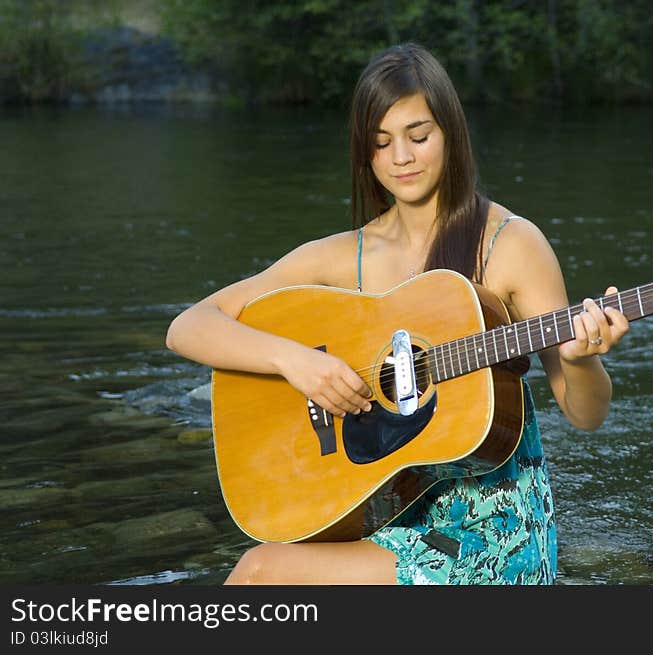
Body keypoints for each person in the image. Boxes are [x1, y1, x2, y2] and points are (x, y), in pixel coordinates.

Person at [165, 42, 629, 585]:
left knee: (262, 572)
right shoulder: (342, 258)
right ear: (365, 153)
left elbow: (585, 414)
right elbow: (189, 327)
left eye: (418, 136)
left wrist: (579, 360)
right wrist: (296, 362)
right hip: (388, 512)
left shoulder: (509, 245)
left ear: (450, 133)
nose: (401, 158)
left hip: (493, 534)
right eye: (381, 143)